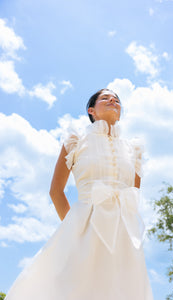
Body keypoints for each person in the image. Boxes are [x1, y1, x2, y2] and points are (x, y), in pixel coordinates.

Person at [5, 88, 154, 300]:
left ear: (120, 112)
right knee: (72, 286)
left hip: (124, 232)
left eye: (117, 99)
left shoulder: (134, 150)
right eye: (105, 98)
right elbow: (56, 191)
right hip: (84, 224)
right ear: (91, 110)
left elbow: (133, 196)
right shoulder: (76, 141)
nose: (113, 99)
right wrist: (73, 229)